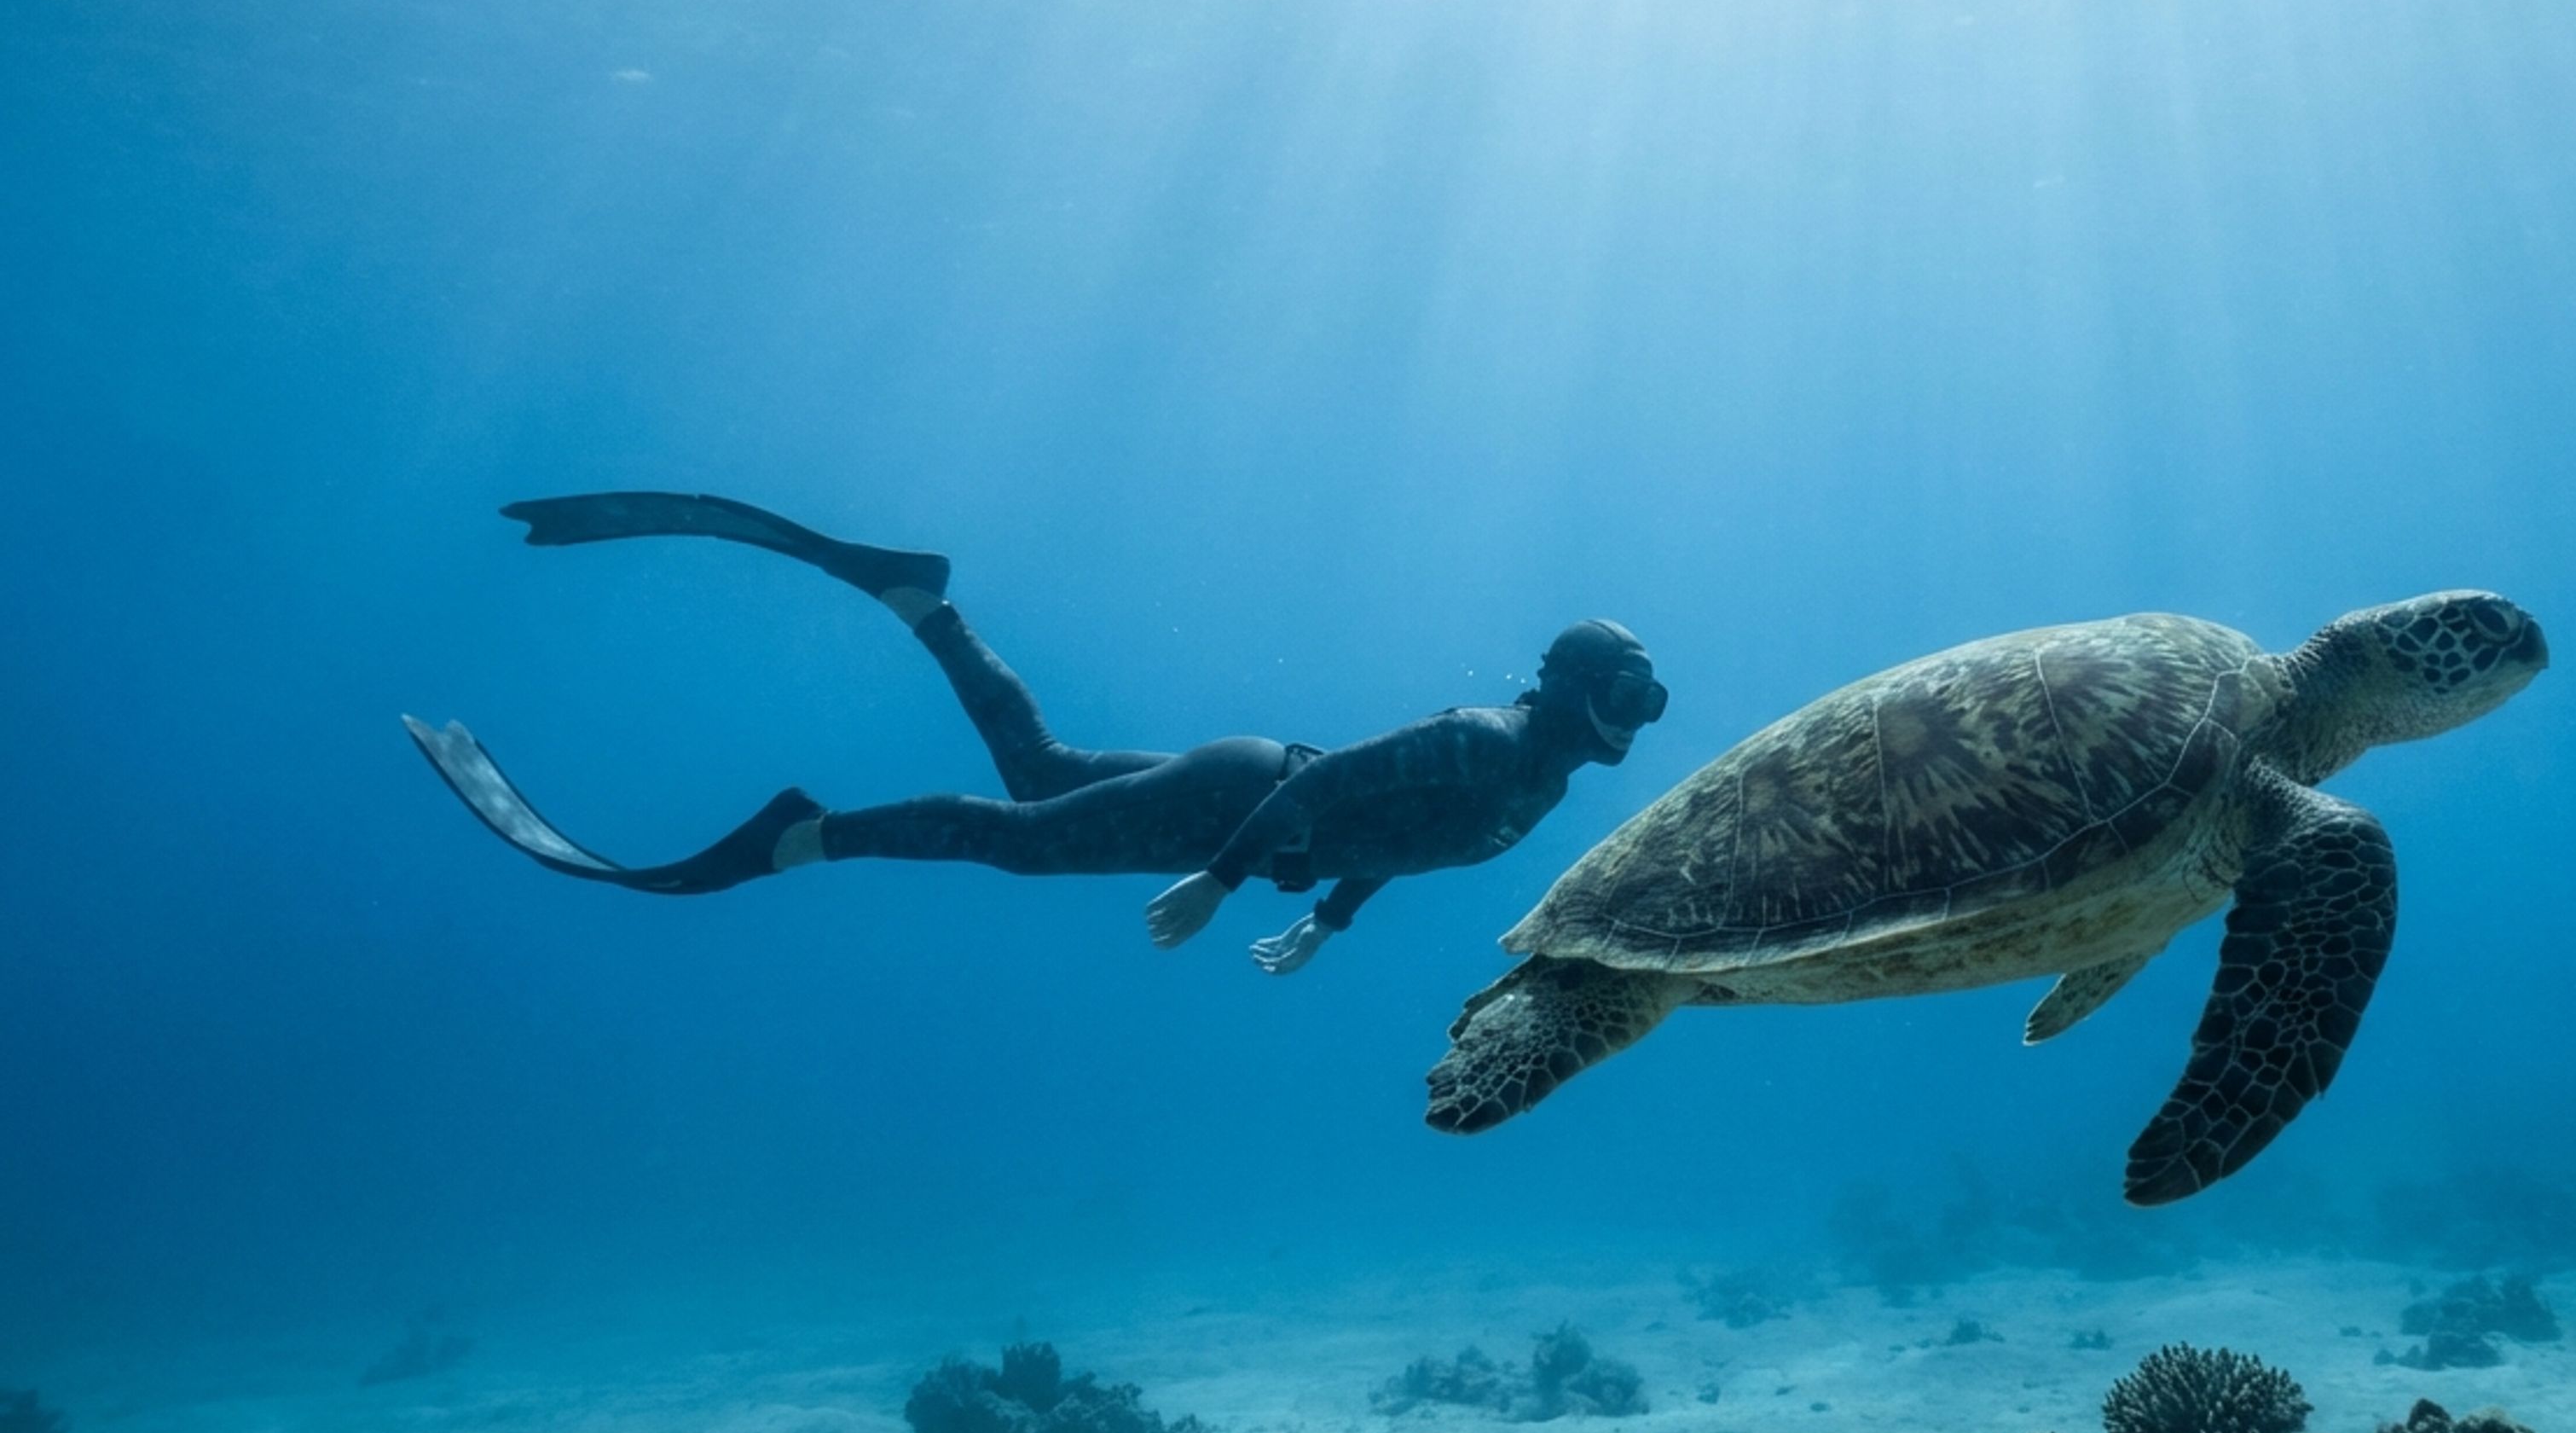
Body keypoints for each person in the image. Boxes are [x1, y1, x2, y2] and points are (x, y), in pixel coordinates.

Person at [403, 492, 1668, 975]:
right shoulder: (1497, 745)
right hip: (1242, 807)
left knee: (1039, 774)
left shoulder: (1535, 783)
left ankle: (922, 601)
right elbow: (1343, 782)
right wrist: (1224, 879)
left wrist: (1327, 921)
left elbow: (1401, 836)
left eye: (1645, 702)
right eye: (1626, 693)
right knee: (1014, 839)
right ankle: (809, 834)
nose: (1635, 721)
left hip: (1252, 803)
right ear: (1566, 688)